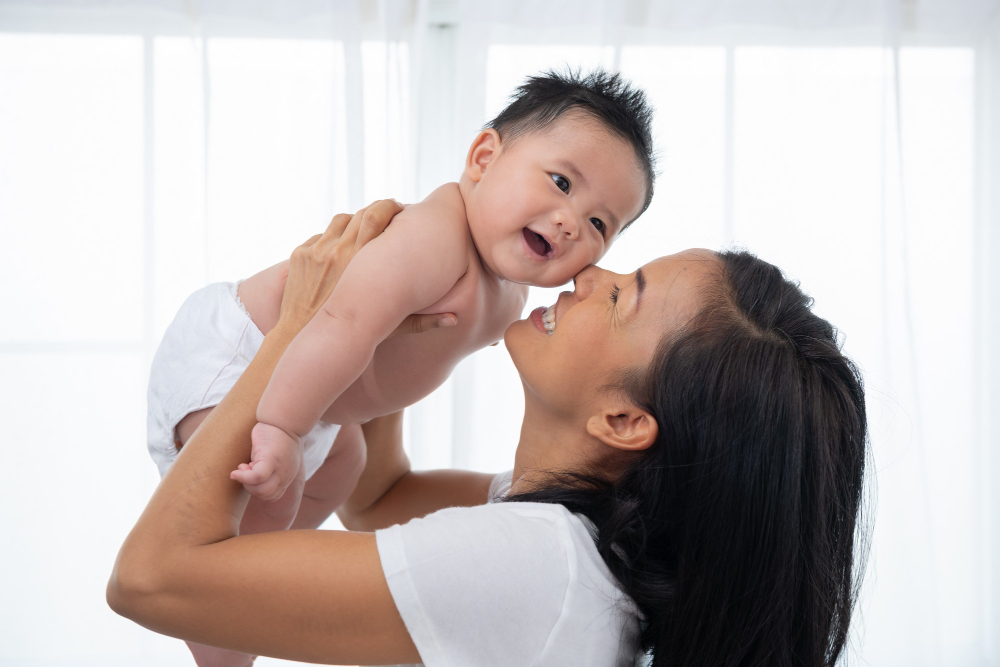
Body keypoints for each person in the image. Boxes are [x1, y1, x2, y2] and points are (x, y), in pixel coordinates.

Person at [111, 201, 870, 667]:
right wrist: (377, 311)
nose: (589, 274)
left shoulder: (540, 569)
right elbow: (380, 496)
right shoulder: (574, 544)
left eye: (622, 298)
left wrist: (293, 331)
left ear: (625, 421)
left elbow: (150, 580)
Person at [146, 68, 655, 550]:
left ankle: (234, 618)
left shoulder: (513, 297)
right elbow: (343, 323)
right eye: (561, 183)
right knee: (240, 524)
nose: (570, 221)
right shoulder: (437, 235)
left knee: (337, 474)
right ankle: (219, 619)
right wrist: (282, 427)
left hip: (311, 404)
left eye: (599, 224)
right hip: (241, 357)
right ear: (483, 158)